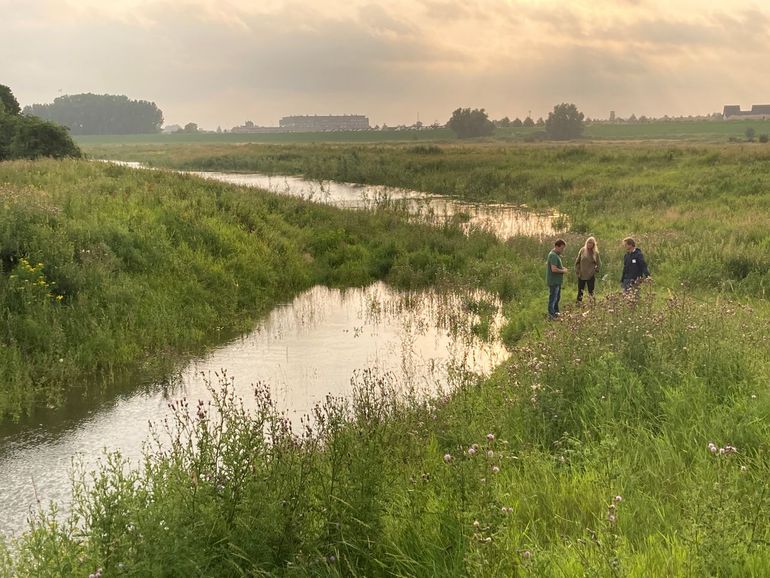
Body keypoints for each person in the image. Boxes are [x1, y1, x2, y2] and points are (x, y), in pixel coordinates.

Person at [574, 236, 601, 304]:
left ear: (593, 244)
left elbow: (599, 263)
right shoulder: (582, 250)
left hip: (590, 275)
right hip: (581, 274)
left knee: (591, 291)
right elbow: (577, 262)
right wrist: (578, 271)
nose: (589, 244)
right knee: (580, 291)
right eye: (588, 242)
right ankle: (578, 304)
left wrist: (596, 270)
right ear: (586, 243)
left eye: (591, 243)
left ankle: (592, 304)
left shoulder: (595, 253)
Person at [546, 239, 568, 319]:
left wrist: (562, 268)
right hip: (553, 281)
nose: (562, 250)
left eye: (563, 248)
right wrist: (563, 271)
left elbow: (556, 267)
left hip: (557, 281)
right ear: (556, 246)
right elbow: (554, 269)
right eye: (561, 248)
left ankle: (556, 313)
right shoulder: (553, 255)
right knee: (553, 299)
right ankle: (551, 315)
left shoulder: (555, 255)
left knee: (557, 298)